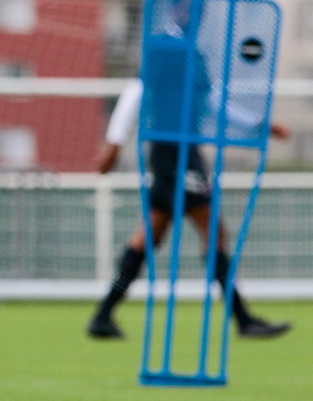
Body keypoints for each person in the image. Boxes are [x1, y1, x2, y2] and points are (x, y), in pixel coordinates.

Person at [85, 73, 292, 341]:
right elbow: (138, 91)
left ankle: (103, 315)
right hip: (177, 156)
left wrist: (260, 125)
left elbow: (212, 101)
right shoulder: (171, 54)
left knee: (149, 236)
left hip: (170, 154)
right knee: (213, 232)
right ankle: (243, 320)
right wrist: (113, 145)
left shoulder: (182, 58)